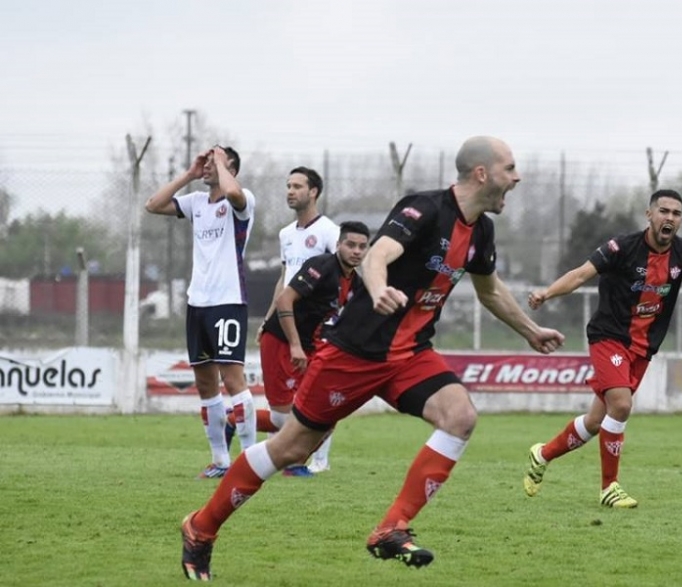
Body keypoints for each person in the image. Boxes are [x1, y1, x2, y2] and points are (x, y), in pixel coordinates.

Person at [178, 136, 566, 581]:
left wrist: (532, 332)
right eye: (510, 169)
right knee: (292, 447)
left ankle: (390, 529)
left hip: (409, 354)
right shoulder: (424, 209)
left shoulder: (481, 232)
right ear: (482, 174)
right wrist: (379, 287)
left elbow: (490, 290)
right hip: (356, 351)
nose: (516, 178)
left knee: (460, 417)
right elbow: (378, 254)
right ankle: (201, 528)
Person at [522, 188, 682, 508]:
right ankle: (609, 487)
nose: (670, 218)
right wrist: (547, 293)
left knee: (596, 422)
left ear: (681, 220)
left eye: (676, 213)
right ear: (649, 214)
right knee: (622, 405)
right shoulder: (622, 247)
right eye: (664, 211)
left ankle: (541, 455)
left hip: (642, 350)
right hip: (608, 337)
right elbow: (581, 274)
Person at [145, 145, 258, 479]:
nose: (207, 167)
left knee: (233, 380)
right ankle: (221, 461)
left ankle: (251, 461)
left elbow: (234, 191)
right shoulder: (196, 202)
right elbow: (153, 205)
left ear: (230, 168)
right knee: (205, 384)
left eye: (214, 164)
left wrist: (221, 164)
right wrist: (190, 174)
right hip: (199, 303)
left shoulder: (241, 200)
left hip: (227, 301)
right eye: (206, 163)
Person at [251, 221, 369, 477]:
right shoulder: (321, 267)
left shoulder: (356, 285)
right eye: (350, 244)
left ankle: (292, 463)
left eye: (362, 246)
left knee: (326, 414)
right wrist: (294, 345)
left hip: (311, 349)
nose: (356, 251)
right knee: (284, 420)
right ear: (338, 245)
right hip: (281, 341)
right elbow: (285, 299)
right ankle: (239, 422)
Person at [242, 166, 340, 474]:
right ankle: (240, 424)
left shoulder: (329, 231)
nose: (290, 191)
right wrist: (268, 317)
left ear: (313, 192)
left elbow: (342, 276)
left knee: (321, 395)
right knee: (285, 409)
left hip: (317, 326)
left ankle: (318, 461)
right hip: (285, 325)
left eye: (297, 186)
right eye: (288, 185)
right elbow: (284, 280)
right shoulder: (286, 234)